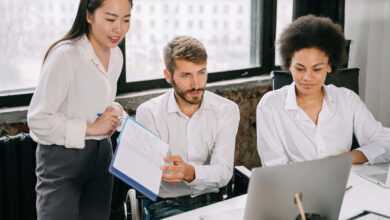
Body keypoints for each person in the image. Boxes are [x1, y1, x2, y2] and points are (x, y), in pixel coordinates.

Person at [27, 0, 132, 219]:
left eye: (126, 20)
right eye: (111, 19)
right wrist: (92, 128)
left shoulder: (116, 56)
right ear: (89, 15)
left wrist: (114, 113)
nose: (119, 29)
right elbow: (38, 120)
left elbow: (96, 102)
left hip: (102, 155)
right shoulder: (66, 56)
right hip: (61, 158)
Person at [256, 15, 390, 167]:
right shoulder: (270, 105)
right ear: (289, 65)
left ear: (330, 66)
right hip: (295, 187)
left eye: (317, 69)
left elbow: (385, 142)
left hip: (345, 183)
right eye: (300, 68)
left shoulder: (347, 99)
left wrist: (344, 159)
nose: (307, 77)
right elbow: (274, 167)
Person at [135, 36, 240, 219]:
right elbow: (147, 174)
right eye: (186, 75)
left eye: (201, 72)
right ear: (168, 76)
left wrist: (190, 172)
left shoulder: (226, 110)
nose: (196, 84)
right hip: (166, 204)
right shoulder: (149, 113)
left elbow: (223, 172)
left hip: (214, 202)